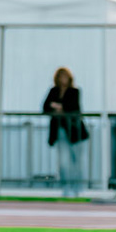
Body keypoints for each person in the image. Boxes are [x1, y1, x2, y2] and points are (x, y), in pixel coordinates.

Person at [43, 67, 87, 196]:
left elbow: (73, 107)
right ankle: (66, 187)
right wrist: (59, 107)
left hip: (75, 132)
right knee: (63, 162)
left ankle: (78, 188)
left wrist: (58, 106)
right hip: (60, 131)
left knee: (77, 162)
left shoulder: (75, 91)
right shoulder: (53, 91)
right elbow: (45, 106)